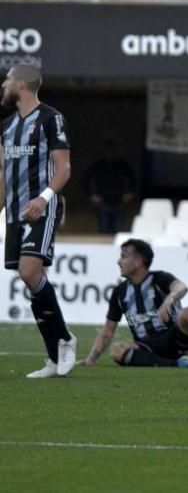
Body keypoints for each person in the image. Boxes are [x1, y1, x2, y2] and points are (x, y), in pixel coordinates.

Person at [1, 65, 75, 378]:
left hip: (41, 208)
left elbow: (64, 168)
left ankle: (65, 340)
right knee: (31, 280)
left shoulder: (50, 118)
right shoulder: (5, 126)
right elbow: (2, 178)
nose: (3, 84)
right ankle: (54, 357)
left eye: (7, 80)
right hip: (16, 211)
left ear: (21, 84)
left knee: (29, 270)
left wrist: (44, 197)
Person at [81, 239, 188, 369]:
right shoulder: (119, 292)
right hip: (147, 347)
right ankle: (178, 364)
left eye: (124, 256)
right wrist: (90, 359)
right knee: (117, 351)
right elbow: (108, 330)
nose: (119, 261)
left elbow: (181, 287)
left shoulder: (159, 278)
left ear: (138, 261)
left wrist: (170, 298)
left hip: (176, 338)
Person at [83, 139, 136, 234]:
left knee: (118, 232)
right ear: (104, 152)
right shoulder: (98, 165)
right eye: (108, 151)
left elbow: (133, 179)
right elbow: (85, 180)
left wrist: (130, 193)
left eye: (112, 151)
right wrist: (91, 195)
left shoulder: (122, 165)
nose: (110, 153)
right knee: (104, 231)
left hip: (119, 202)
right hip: (103, 203)